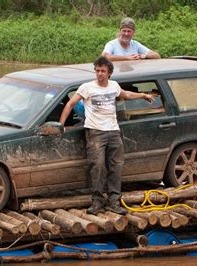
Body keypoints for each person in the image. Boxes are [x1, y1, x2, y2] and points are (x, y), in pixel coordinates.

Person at [59, 56, 155, 215]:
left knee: (116, 166)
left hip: (113, 131)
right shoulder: (87, 87)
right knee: (97, 165)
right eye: (97, 70)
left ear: (109, 73)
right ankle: (97, 201)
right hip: (95, 132)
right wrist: (61, 125)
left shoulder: (114, 86)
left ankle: (114, 201)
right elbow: (71, 103)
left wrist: (144, 95)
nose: (99, 74)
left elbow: (126, 94)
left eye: (103, 71)